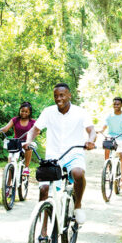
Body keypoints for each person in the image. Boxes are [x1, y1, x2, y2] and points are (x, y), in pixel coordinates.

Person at [23, 82, 96, 225]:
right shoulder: (48, 111)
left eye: (62, 95)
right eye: (55, 96)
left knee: (78, 173)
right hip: (53, 156)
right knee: (44, 190)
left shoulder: (80, 112)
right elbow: (34, 130)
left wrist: (91, 141)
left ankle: (78, 205)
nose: (58, 99)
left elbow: (91, 130)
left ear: (69, 95)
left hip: (74, 153)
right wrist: (28, 141)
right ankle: (44, 231)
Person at [99, 97, 122, 189]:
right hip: (112, 136)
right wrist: (101, 130)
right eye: (114, 104)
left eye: (118, 104)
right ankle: (107, 167)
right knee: (106, 144)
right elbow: (104, 125)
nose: (116, 106)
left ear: (121, 105)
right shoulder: (109, 115)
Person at [0, 101, 35, 175]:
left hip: (27, 142)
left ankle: (26, 167)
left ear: (30, 112)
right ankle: (8, 184)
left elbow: (36, 131)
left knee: (28, 147)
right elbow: (6, 128)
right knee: (11, 161)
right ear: (19, 111)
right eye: (22, 111)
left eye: (26, 112)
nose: (24, 113)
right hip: (16, 142)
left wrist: (31, 137)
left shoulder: (32, 122)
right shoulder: (15, 120)